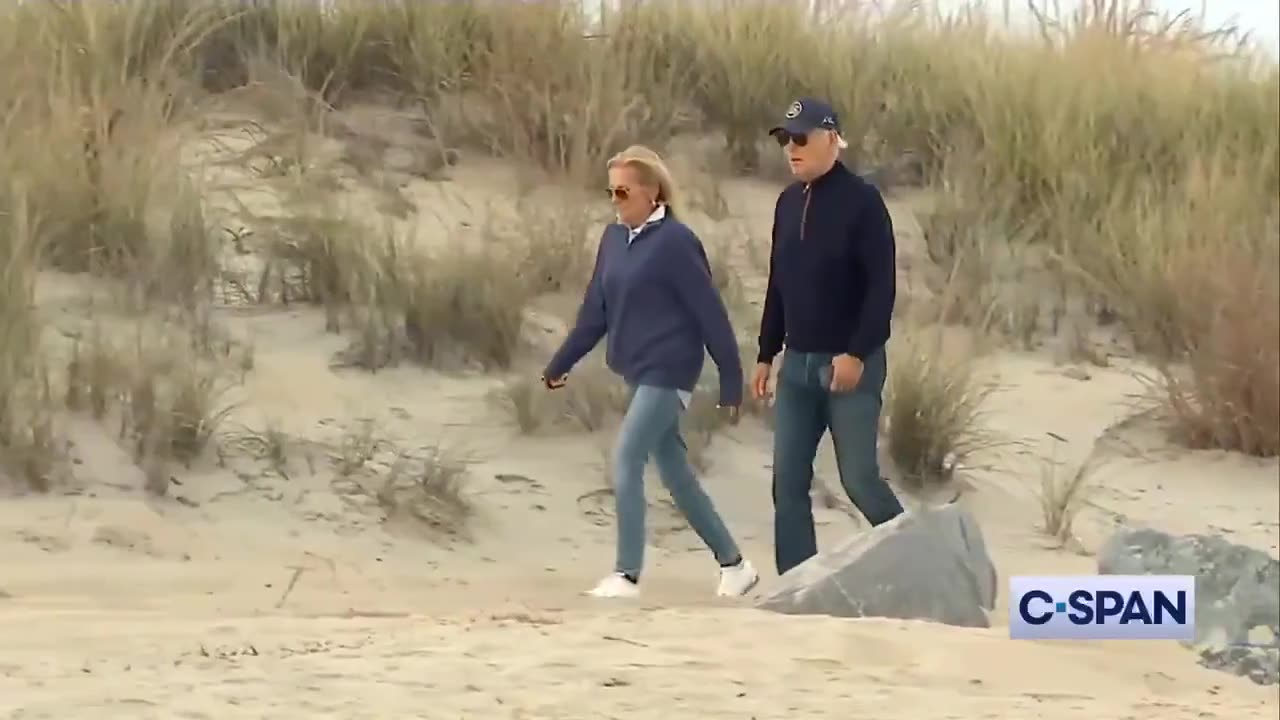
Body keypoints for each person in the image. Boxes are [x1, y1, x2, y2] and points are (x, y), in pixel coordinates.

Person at [542, 145, 760, 599]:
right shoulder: (613, 241)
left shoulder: (676, 242)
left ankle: (627, 574)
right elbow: (593, 316)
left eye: (623, 192)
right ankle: (735, 566)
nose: (616, 202)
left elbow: (710, 314)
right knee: (675, 472)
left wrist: (731, 381)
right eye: (611, 193)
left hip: (671, 367)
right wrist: (560, 364)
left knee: (626, 457)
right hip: (638, 369)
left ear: (652, 193)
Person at [752, 98, 907, 576]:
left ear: (830, 139)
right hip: (796, 365)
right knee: (788, 482)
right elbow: (779, 283)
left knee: (859, 479)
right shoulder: (787, 202)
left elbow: (882, 287)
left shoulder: (862, 201)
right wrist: (765, 353)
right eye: (785, 140)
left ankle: (917, 563)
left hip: (848, 367)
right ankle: (798, 584)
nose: (791, 150)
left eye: (800, 139)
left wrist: (856, 352)